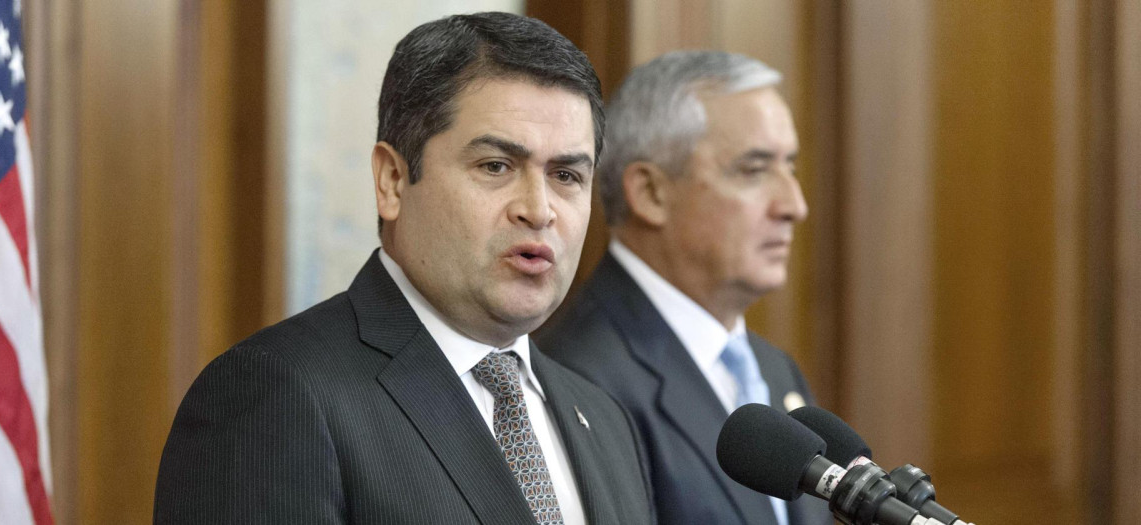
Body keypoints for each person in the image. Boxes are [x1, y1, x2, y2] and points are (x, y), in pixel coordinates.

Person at [154, 12, 653, 524]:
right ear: (393, 180)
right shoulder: (277, 397)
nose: (539, 208)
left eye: (567, 175)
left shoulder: (604, 418)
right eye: (496, 167)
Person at [536, 51, 832, 525]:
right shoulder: (577, 378)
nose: (794, 205)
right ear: (651, 193)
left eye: (790, 168)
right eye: (754, 170)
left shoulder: (776, 370)